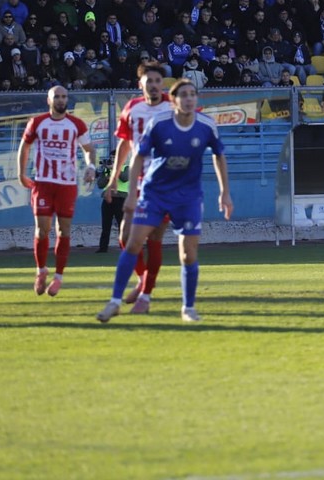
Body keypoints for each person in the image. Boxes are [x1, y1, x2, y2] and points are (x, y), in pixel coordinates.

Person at [97, 79, 233, 323]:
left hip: (188, 197)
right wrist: (131, 193)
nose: (189, 99)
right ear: (174, 100)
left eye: (192, 94)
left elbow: (219, 156)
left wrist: (225, 192)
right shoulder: (159, 124)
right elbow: (138, 156)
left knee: (188, 254)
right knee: (133, 242)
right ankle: (115, 302)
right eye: (184, 95)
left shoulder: (206, 125)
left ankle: (188, 308)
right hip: (155, 194)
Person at [102, 61, 171, 312]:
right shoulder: (132, 107)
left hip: (165, 184)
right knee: (125, 236)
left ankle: (145, 296)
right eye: (148, 81)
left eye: (157, 81)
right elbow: (124, 144)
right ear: (140, 84)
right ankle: (144, 279)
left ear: (162, 84)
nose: (153, 85)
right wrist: (113, 179)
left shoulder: (173, 106)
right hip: (138, 182)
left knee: (154, 238)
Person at [17, 86, 97, 296]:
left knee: (64, 230)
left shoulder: (76, 124)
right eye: (57, 97)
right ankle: (41, 270)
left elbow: (89, 149)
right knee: (42, 230)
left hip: (66, 185)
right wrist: (21, 173)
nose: (61, 100)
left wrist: (91, 166)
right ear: (49, 100)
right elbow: (24, 146)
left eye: (64, 97)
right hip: (43, 183)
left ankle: (59, 276)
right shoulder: (37, 122)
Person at [95, 155, 128, 253]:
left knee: (122, 224)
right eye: (111, 158)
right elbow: (100, 184)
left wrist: (115, 169)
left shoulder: (126, 168)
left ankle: (124, 247)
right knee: (106, 225)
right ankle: (103, 248)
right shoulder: (106, 170)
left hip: (120, 199)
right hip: (107, 199)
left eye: (115, 158)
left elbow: (124, 178)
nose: (113, 160)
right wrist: (107, 176)